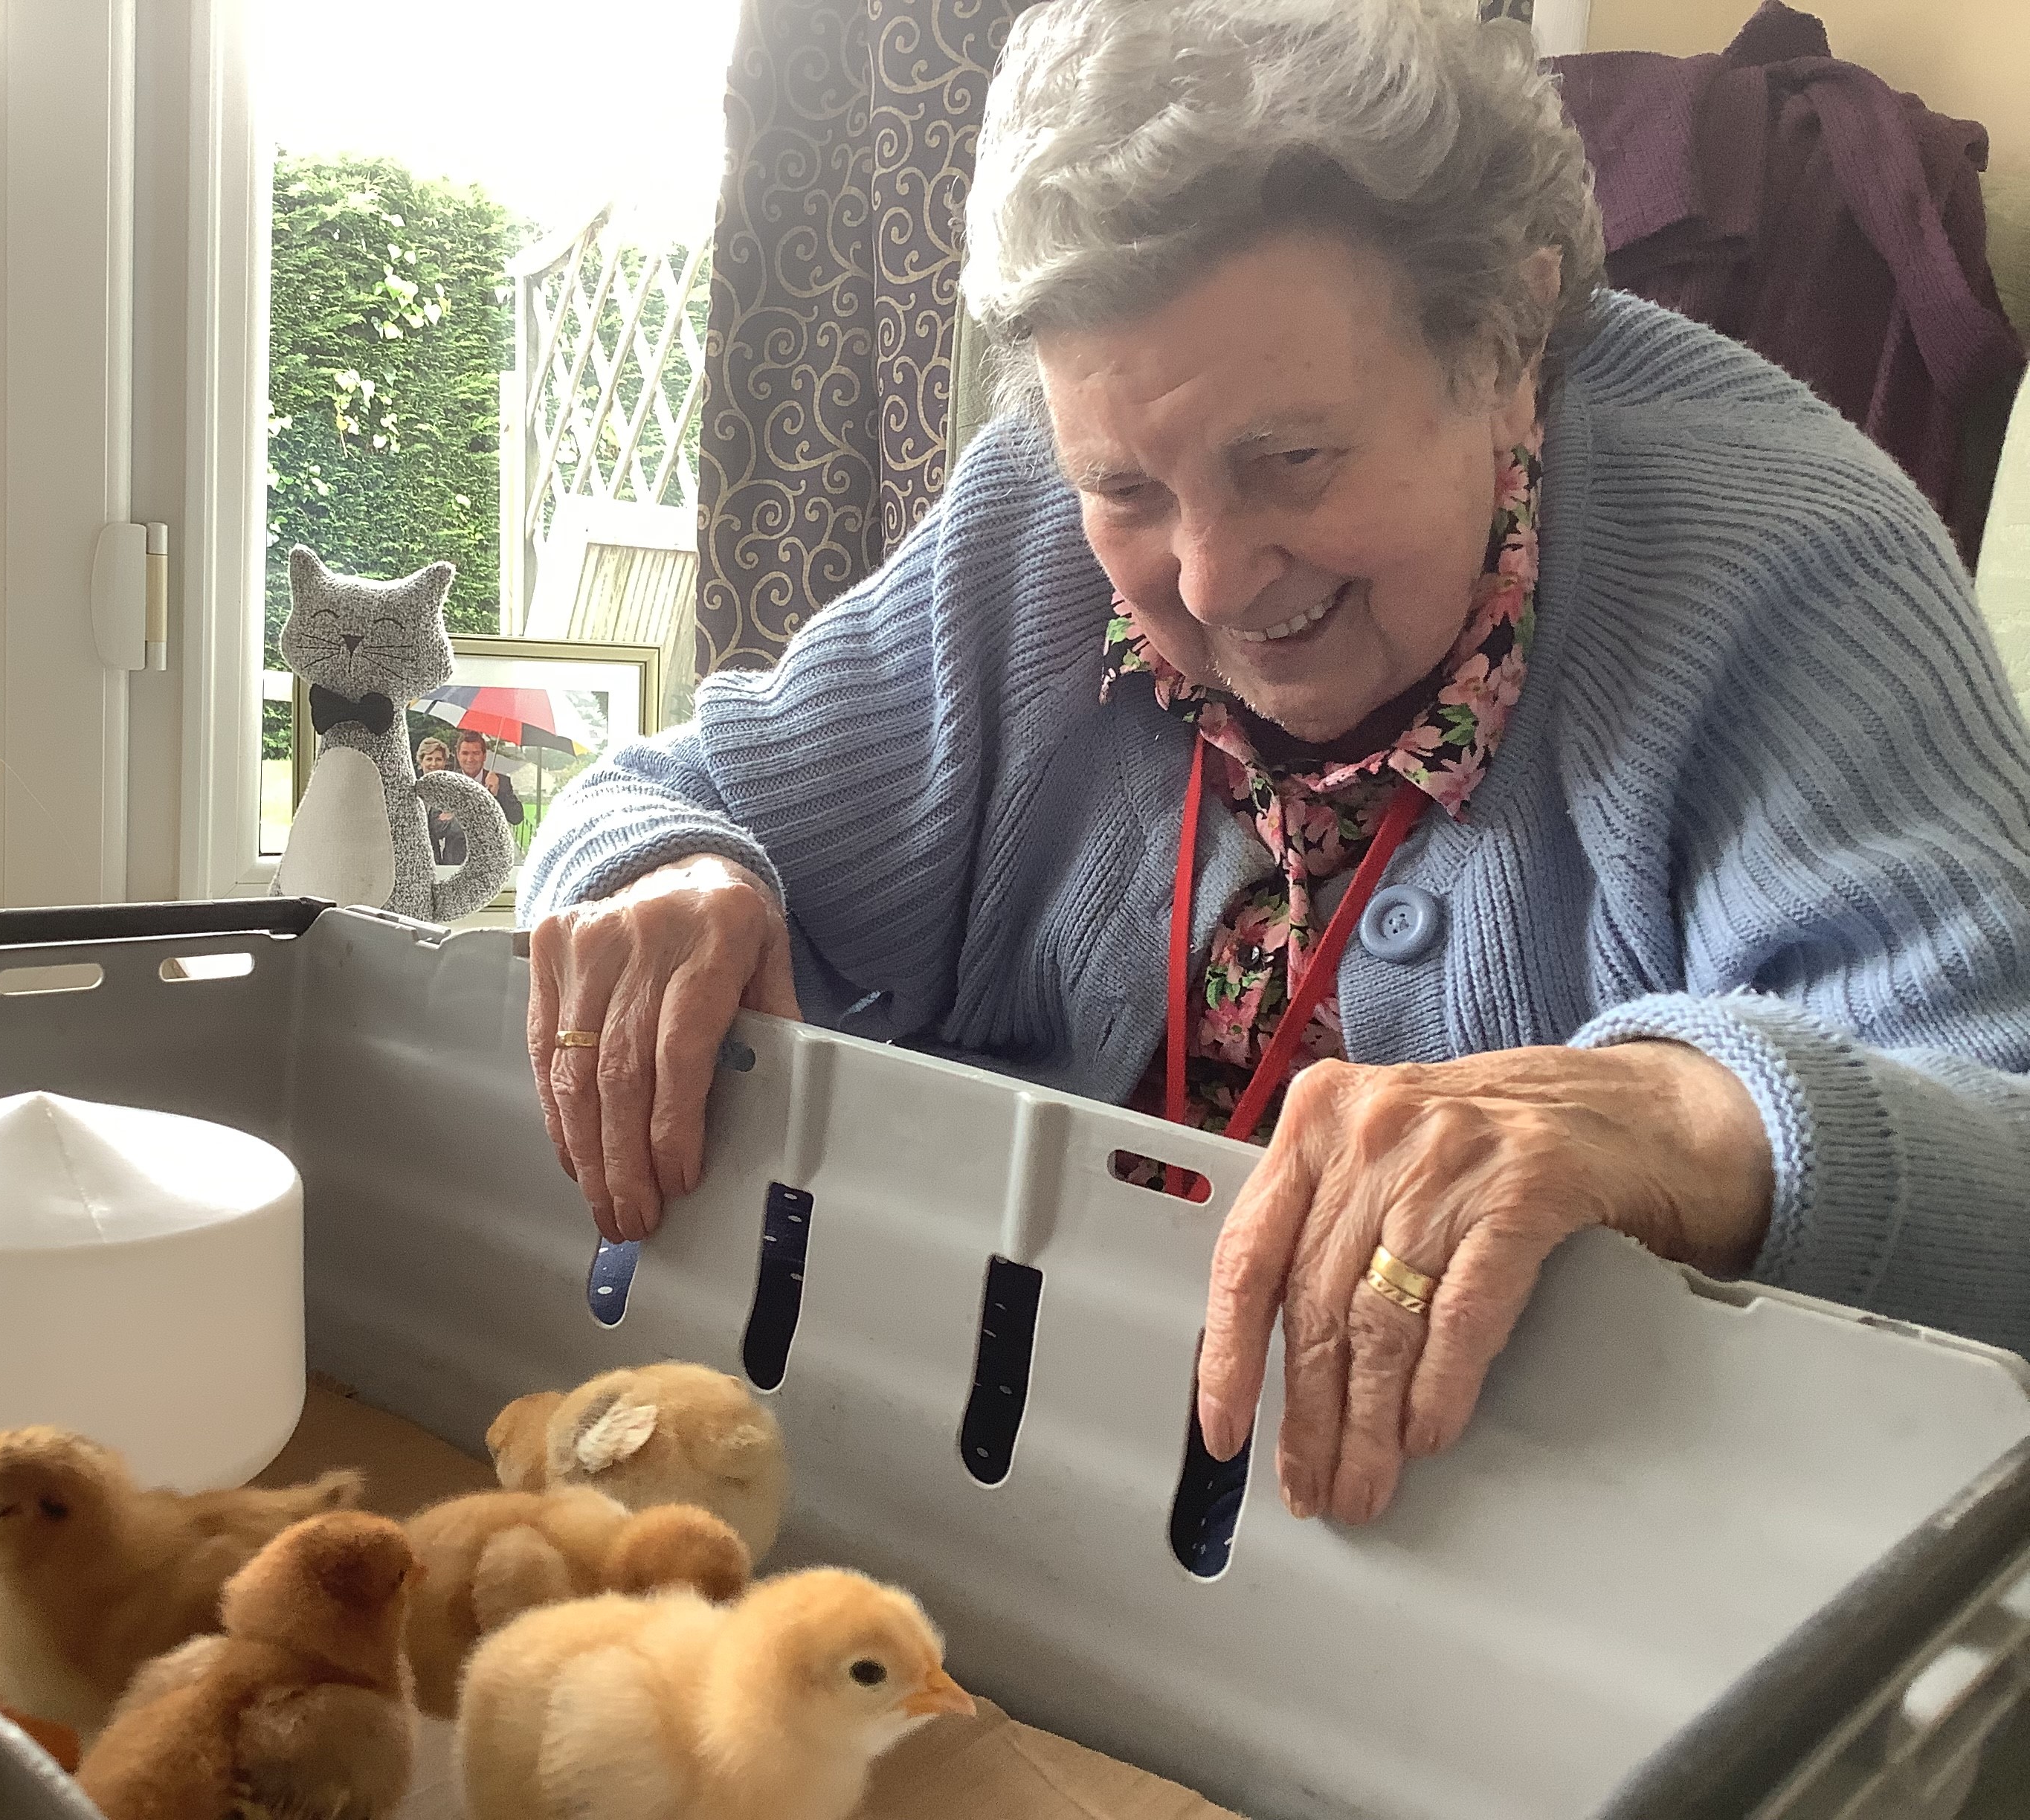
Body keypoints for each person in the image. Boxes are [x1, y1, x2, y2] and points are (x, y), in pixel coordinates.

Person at [516, 0, 2030, 1529]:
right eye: (1127, 487)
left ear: (1507, 346)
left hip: (1504, 1563)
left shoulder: (1797, 565)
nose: (1217, 578)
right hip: (972, 1488)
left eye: (1289, 461)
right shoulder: (1028, 526)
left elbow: (2008, 1159)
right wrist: (667, 877)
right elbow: (655, 801)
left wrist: (1670, 1117)